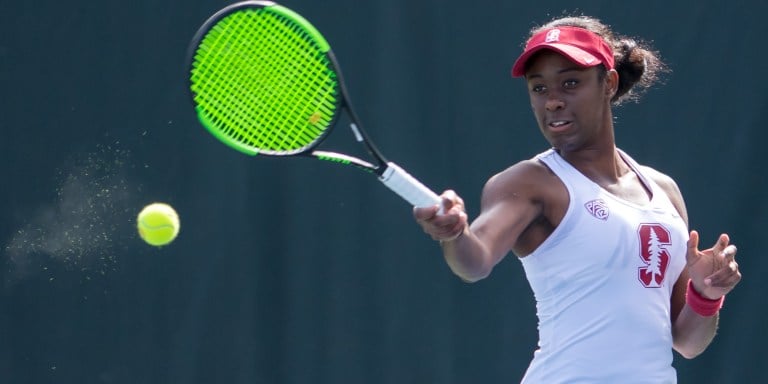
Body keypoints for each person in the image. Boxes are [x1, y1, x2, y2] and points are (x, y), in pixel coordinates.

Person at [413, 15, 742, 383]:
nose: (552, 101)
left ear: (609, 82)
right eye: (539, 89)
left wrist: (705, 293)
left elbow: (687, 342)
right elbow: (474, 262)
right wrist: (455, 234)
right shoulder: (530, 182)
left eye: (570, 83)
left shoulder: (664, 191)